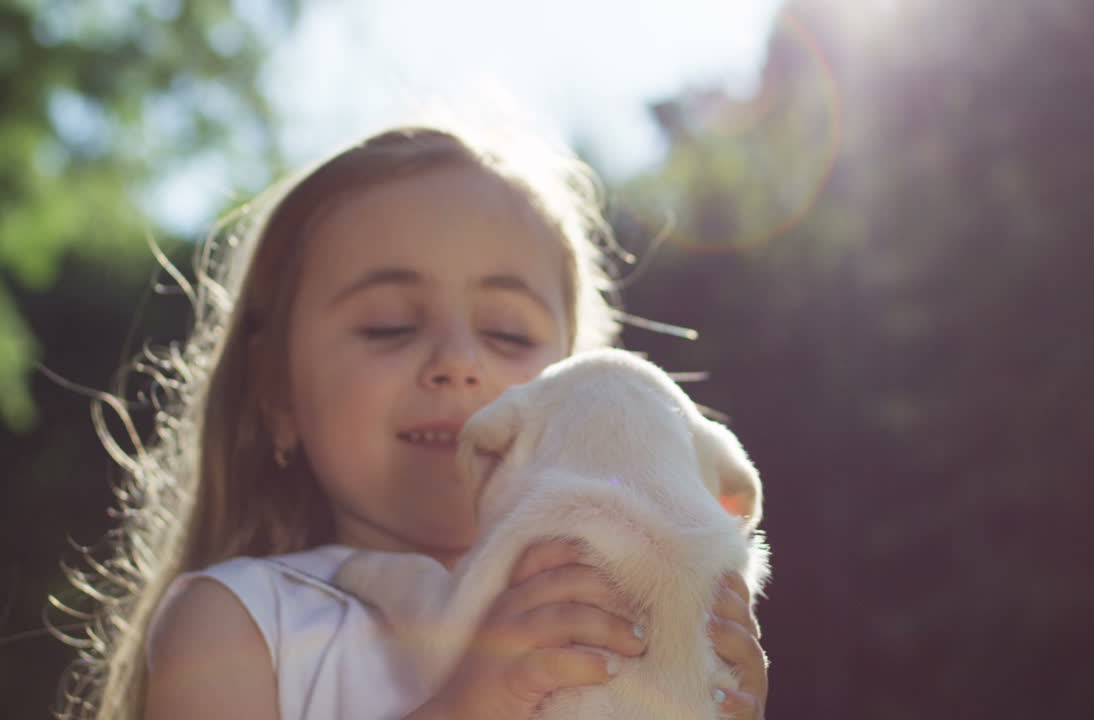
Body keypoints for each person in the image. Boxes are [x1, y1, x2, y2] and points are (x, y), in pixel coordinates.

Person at [56, 121, 769, 720]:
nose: (457, 363)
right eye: (390, 326)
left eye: (509, 335)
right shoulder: (240, 622)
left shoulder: (628, 616)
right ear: (274, 392)